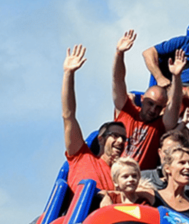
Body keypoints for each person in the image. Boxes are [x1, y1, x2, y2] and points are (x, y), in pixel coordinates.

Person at [60, 44, 123, 192]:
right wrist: (69, 74)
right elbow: (68, 115)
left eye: (124, 139)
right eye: (115, 136)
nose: (120, 141)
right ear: (101, 138)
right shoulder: (81, 156)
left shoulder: (122, 177)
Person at [110, 29, 167, 170]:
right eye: (150, 104)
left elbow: (175, 106)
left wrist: (176, 78)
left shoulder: (159, 125)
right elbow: (118, 81)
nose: (153, 110)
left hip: (137, 181)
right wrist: (119, 54)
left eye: (158, 107)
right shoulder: (127, 111)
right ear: (142, 99)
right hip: (113, 173)